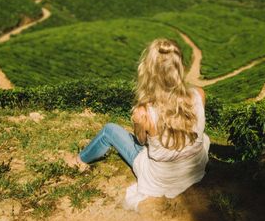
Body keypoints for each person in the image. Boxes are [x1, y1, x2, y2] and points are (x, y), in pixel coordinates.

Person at [66, 38, 210, 211]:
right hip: (194, 170)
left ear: (149, 70)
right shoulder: (199, 94)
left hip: (161, 179)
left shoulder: (144, 112)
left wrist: (140, 122)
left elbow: (141, 142)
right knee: (204, 138)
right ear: (180, 66)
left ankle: (79, 160)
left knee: (109, 130)